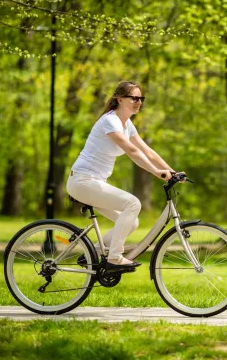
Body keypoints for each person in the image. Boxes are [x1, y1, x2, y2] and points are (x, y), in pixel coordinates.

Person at [66, 81, 178, 270]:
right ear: (119, 99)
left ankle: (92, 253)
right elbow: (132, 151)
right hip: (82, 181)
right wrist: (156, 172)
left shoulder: (127, 125)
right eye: (134, 98)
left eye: (141, 98)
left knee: (131, 222)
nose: (138, 102)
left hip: (93, 183)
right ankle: (114, 258)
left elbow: (147, 151)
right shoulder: (110, 121)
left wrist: (172, 171)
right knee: (133, 203)